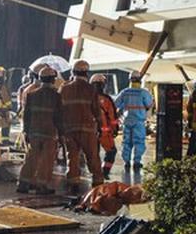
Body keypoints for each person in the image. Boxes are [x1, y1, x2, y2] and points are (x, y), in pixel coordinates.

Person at [59, 59, 105, 193]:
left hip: (69, 128)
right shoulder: (91, 89)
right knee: (92, 156)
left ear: (73, 72)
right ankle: (98, 183)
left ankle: (73, 182)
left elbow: (60, 109)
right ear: (86, 73)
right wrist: (100, 126)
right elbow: (96, 110)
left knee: (72, 156)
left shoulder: (64, 88)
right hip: (87, 129)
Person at [17, 66, 64, 195]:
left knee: (31, 157)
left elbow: (26, 115)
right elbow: (58, 117)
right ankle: (41, 185)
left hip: (33, 132)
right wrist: (61, 134)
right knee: (47, 160)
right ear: (52, 79)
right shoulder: (56, 96)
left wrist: (26, 131)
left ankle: (23, 183)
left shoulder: (32, 95)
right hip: (49, 133)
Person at [115, 71, 154, 171]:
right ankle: (137, 162)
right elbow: (149, 105)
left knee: (126, 142)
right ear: (140, 80)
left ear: (130, 79)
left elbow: (116, 104)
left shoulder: (125, 92)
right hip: (139, 121)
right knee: (139, 142)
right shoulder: (144, 92)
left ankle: (126, 162)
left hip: (127, 121)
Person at [92, 74, 119, 178]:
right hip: (104, 133)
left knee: (93, 154)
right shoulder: (107, 99)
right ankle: (105, 172)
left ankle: (95, 173)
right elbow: (112, 116)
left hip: (90, 132)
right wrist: (115, 129)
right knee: (111, 152)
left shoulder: (86, 98)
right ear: (103, 85)